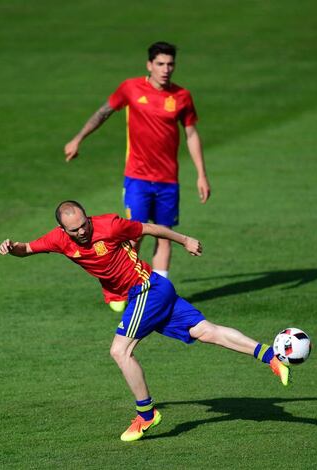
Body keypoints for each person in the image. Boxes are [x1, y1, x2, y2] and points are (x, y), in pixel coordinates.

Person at [0, 201, 290, 442]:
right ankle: (270, 357)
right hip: (154, 293)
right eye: (75, 230)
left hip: (146, 290)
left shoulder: (110, 225)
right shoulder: (58, 239)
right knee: (205, 331)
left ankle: (147, 414)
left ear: (88, 217)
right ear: (64, 229)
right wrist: (12, 248)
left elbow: (149, 228)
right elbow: (27, 248)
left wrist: (185, 239)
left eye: (85, 224)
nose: (83, 232)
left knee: (119, 351)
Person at [64, 41, 211, 311]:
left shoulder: (182, 96)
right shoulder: (130, 89)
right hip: (138, 178)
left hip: (168, 180)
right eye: (160, 64)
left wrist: (202, 174)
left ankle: (159, 296)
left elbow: (191, 133)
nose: (166, 69)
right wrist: (78, 138)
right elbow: (103, 113)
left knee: (165, 235)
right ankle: (127, 288)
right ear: (149, 65)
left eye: (170, 64)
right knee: (134, 234)